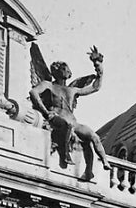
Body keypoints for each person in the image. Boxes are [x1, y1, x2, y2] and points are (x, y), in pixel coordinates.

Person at [29, 46, 109, 182]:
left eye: (67, 68)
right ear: (56, 71)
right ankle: (65, 155)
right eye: (64, 68)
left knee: (93, 136)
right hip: (56, 118)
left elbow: (96, 87)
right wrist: (45, 112)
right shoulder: (48, 85)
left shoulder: (73, 90)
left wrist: (98, 65)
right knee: (67, 126)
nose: (67, 71)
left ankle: (98, 165)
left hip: (73, 122)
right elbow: (33, 92)